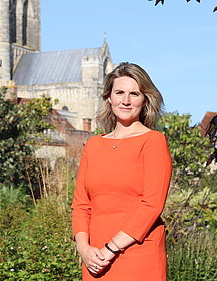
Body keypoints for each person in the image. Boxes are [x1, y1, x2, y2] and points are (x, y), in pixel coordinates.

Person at [71, 62, 172, 280]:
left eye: (134, 94)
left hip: (138, 255)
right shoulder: (93, 145)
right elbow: (81, 204)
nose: (126, 100)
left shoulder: (153, 141)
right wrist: (84, 250)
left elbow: (151, 204)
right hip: (95, 259)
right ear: (109, 97)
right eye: (119, 92)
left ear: (145, 100)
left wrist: (111, 248)